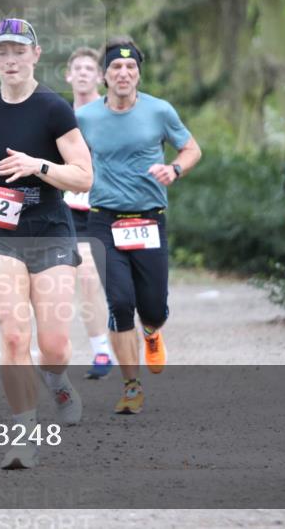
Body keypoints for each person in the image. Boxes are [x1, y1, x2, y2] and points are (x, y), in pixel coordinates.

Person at [0, 18, 93, 469]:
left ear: (35, 54)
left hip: (49, 231)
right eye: (2, 51)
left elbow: (84, 176)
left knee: (54, 346)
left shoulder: (54, 110)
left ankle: (58, 378)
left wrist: (38, 166)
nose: (10, 59)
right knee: (12, 333)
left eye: (18, 50)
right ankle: (23, 434)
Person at [76, 36, 202, 416]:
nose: (124, 73)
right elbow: (67, 156)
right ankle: (131, 385)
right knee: (119, 303)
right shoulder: (84, 118)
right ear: (104, 75)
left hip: (149, 218)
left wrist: (175, 168)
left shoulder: (160, 111)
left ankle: (152, 331)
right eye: (116, 67)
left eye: (131, 67)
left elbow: (192, 148)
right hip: (102, 219)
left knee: (153, 307)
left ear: (139, 75)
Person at [64, 47, 114, 379]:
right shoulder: (60, 116)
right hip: (73, 209)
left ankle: (143, 324)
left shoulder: (112, 113)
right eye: (77, 68)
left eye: (89, 69)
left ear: (99, 77)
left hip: (112, 207)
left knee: (126, 285)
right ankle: (101, 351)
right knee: (85, 278)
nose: (83, 73)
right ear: (69, 76)